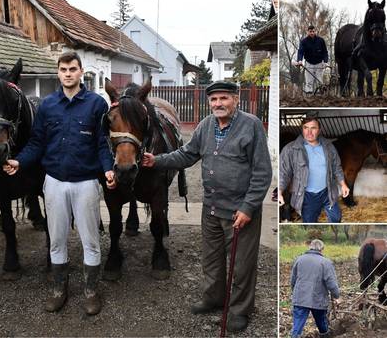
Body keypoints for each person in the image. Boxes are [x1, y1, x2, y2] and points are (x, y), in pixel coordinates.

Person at [141, 80, 272, 332]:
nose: (218, 104)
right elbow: (187, 154)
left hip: (239, 211)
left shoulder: (251, 126)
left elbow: (262, 172)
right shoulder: (206, 126)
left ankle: (239, 309)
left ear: (236, 99)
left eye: (224, 98)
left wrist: (248, 207)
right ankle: (214, 298)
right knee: (211, 260)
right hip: (211, 208)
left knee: (242, 265)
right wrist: (156, 160)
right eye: (214, 99)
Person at [3, 51, 116, 315]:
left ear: (81, 72)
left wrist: (108, 169)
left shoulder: (96, 105)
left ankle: (90, 292)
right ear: (58, 72)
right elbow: (37, 143)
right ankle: (58, 290)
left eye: (72, 69)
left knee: (90, 241)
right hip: (54, 182)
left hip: (86, 183)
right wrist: (20, 161)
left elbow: (102, 143)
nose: (68, 74)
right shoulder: (48, 105)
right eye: (63, 69)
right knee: (57, 240)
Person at [279, 116, 350, 223]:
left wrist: (343, 184)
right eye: (305, 128)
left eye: (313, 128)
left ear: (319, 130)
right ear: (302, 129)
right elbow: (283, 172)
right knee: (310, 222)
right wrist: (279, 191)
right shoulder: (291, 149)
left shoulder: (328, 146)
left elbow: (336, 166)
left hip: (327, 191)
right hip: (307, 195)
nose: (309, 132)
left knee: (336, 217)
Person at [290, 239, 340, 338]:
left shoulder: (299, 259)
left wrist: (295, 292)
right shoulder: (326, 262)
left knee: (297, 327)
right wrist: (337, 296)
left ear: (310, 247)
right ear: (321, 249)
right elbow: (331, 283)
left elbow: (293, 280)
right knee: (322, 325)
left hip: (300, 298)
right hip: (318, 300)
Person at [293, 25, 329, 94]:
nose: (312, 33)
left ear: (315, 31)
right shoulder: (304, 41)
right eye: (310, 32)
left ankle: (320, 96)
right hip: (309, 64)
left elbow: (325, 52)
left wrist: (325, 61)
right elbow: (300, 51)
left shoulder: (321, 40)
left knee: (320, 82)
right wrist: (300, 60)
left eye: (313, 31)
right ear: (308, 32)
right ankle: (309, 97)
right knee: (309, 82)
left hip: (319, 64)